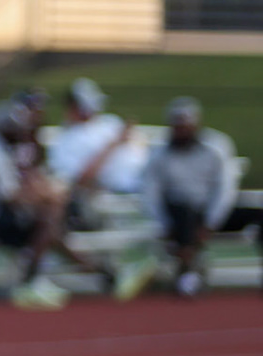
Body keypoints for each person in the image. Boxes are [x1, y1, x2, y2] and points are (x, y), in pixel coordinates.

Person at [0, 99, 115, 309]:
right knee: (47, 224)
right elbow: (12, 197)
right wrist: (52, 197)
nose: (21, 133)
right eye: (16, 128)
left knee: (50, 225)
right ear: (4, 129)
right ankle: (36, 279)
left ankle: (95, 271)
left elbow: (23, 186)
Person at [143, 97, 239, 297]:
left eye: (185, 124)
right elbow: (151, 193)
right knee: (184, 212)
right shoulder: (160, 154)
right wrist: (164, 224)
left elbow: (225, 189)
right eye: (177, 125)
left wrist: (211, 223)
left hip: (212, 210)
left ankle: (189, 269)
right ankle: (188, 271)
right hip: (178, 213)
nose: (181, 130)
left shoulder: (216, 147)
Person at [46, 78, 148, 222]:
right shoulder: (65, 141)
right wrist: (114, 143)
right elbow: (81, 179)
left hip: (145, 177)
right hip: (122, 190)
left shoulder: (109, 121)